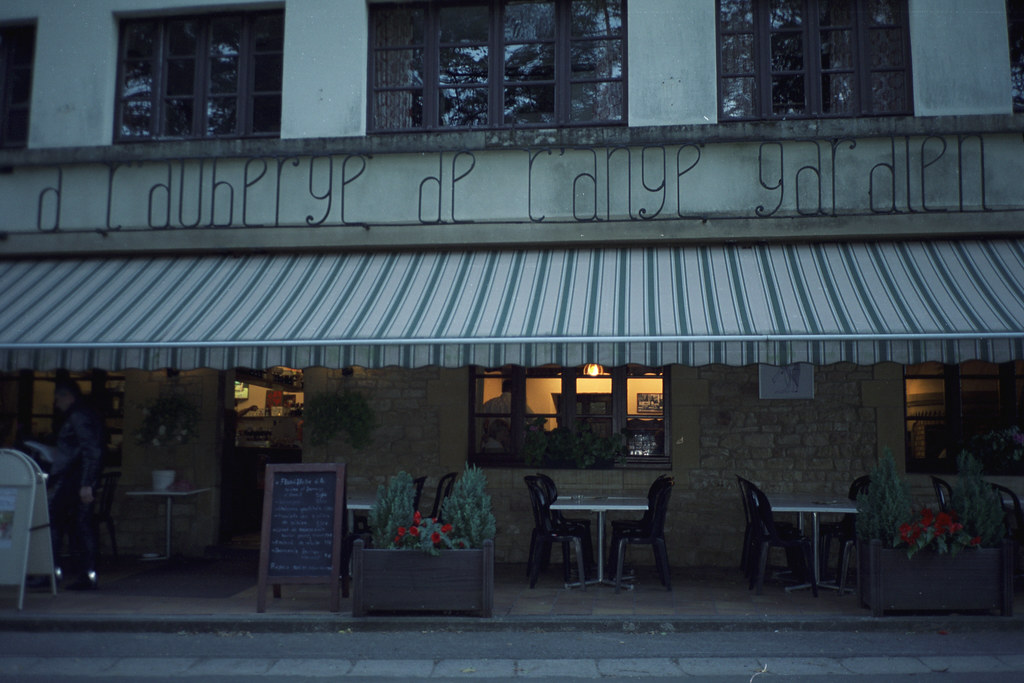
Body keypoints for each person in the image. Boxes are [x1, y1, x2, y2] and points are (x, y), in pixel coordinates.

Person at [48, 381, 104, 590]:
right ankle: (79, 573)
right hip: (76, 478)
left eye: (58, 398)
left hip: (75, 479)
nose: (56, 404)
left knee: (68, 523)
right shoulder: (82, 414)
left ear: (68, 396)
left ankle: (69, 573)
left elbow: (92, 450)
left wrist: (87, 483)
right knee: (75, 524)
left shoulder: (78, 415)